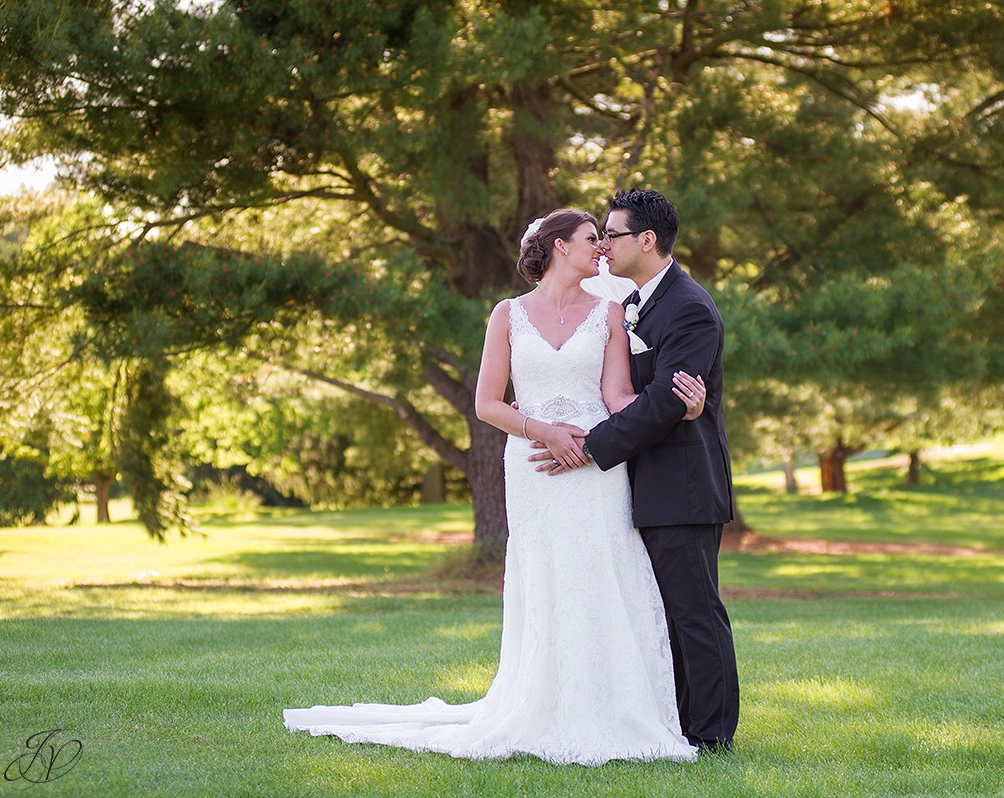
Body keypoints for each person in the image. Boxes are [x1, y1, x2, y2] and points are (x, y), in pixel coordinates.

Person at [283, 208, 708, 765]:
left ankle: (611, 709)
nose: (601, 249)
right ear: (559, 247)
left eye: (605, 240)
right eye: (590, 239)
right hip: (533, 462)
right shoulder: (508, 315)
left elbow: (620, 399)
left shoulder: (608, 315)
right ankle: (541, 701)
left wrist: (681, 409)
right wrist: (544, 431)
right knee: (546, 576)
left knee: (601, 572)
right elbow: (486, 404)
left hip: (592, 465)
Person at [531, 189, 739, 752]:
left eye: (613, 234)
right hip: (651, 482)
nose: (603, 244)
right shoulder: (639, 301)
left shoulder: (688, 306)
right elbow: (649, 392)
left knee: (695, 613)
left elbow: (665, 403)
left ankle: (713, 735)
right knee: (667, 614)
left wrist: (590, 447)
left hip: (685, 485)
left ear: (647, 240)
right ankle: (683, 726)